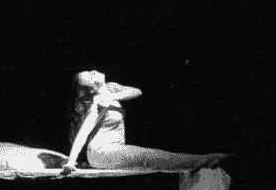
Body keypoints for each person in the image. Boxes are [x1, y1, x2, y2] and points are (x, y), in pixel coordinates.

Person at [61, 71, 227, 173]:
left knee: (149, 156)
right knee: (149, 156)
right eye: (90, 75)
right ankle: (204, 160)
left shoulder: (110, 89)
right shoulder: (97, 102)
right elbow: (83, 131)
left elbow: (136, 91)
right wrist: (71, 161)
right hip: (102, 152)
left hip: (114, 149)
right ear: (93, 87)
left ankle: (205, 159)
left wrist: (111, 96)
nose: (94, 71)